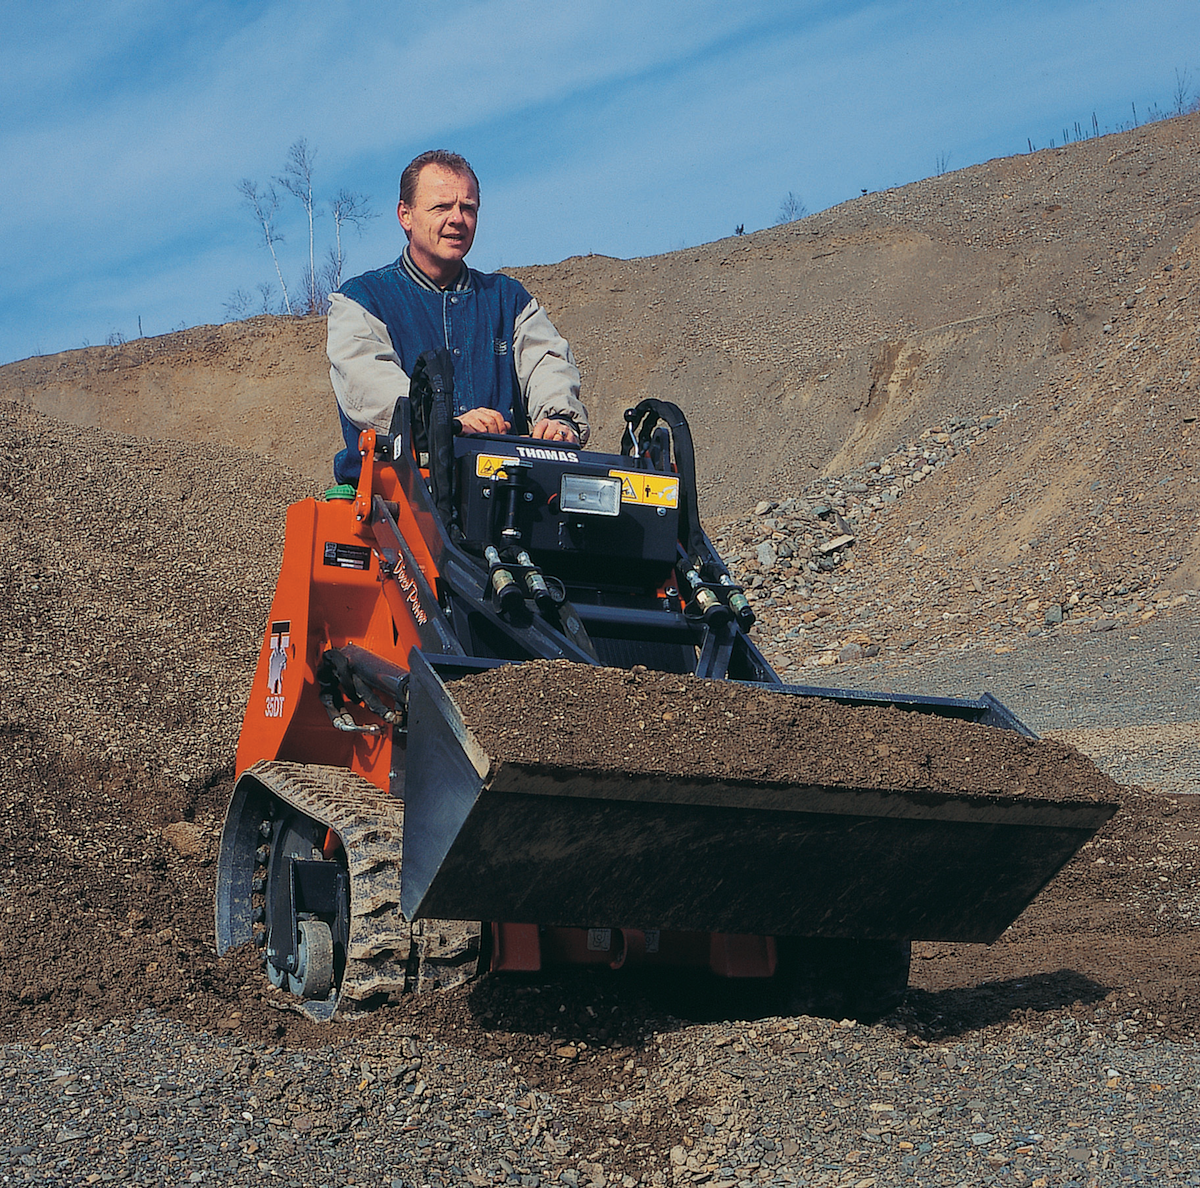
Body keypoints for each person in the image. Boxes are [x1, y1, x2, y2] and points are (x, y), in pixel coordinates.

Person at [328, 149, 589, 483]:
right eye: (441, 207)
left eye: (468, 208)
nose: (457, 219)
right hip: (395, 503)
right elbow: (368, 383)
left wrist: (558, 420)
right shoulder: (362, 300)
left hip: (502, 495)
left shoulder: (509, 300)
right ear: (405, 215)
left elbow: (548, 363)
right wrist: (448, 422)